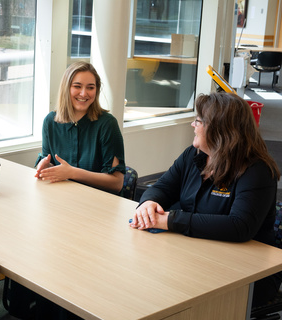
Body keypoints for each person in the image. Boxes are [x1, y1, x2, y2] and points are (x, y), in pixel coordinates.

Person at [130, 92, 281, 308]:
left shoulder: (256, 170)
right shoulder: (193, 155)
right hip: (194, 257)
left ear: (221, 129)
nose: (192, 125)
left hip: (246, 275)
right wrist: (148, 203)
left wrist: (170, 220)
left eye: (199, 121)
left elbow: (239, 226)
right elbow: (163, 187)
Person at [35, 61, 126, 195]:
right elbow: (50, 165)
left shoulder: (107, 124)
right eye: (77, 86)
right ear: (66, 88)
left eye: (90, 87)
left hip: (98, 203)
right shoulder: (50, 121)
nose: (84, 94)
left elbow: (117, 183)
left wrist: (72, 173)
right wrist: (44, 168)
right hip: (62, 198)